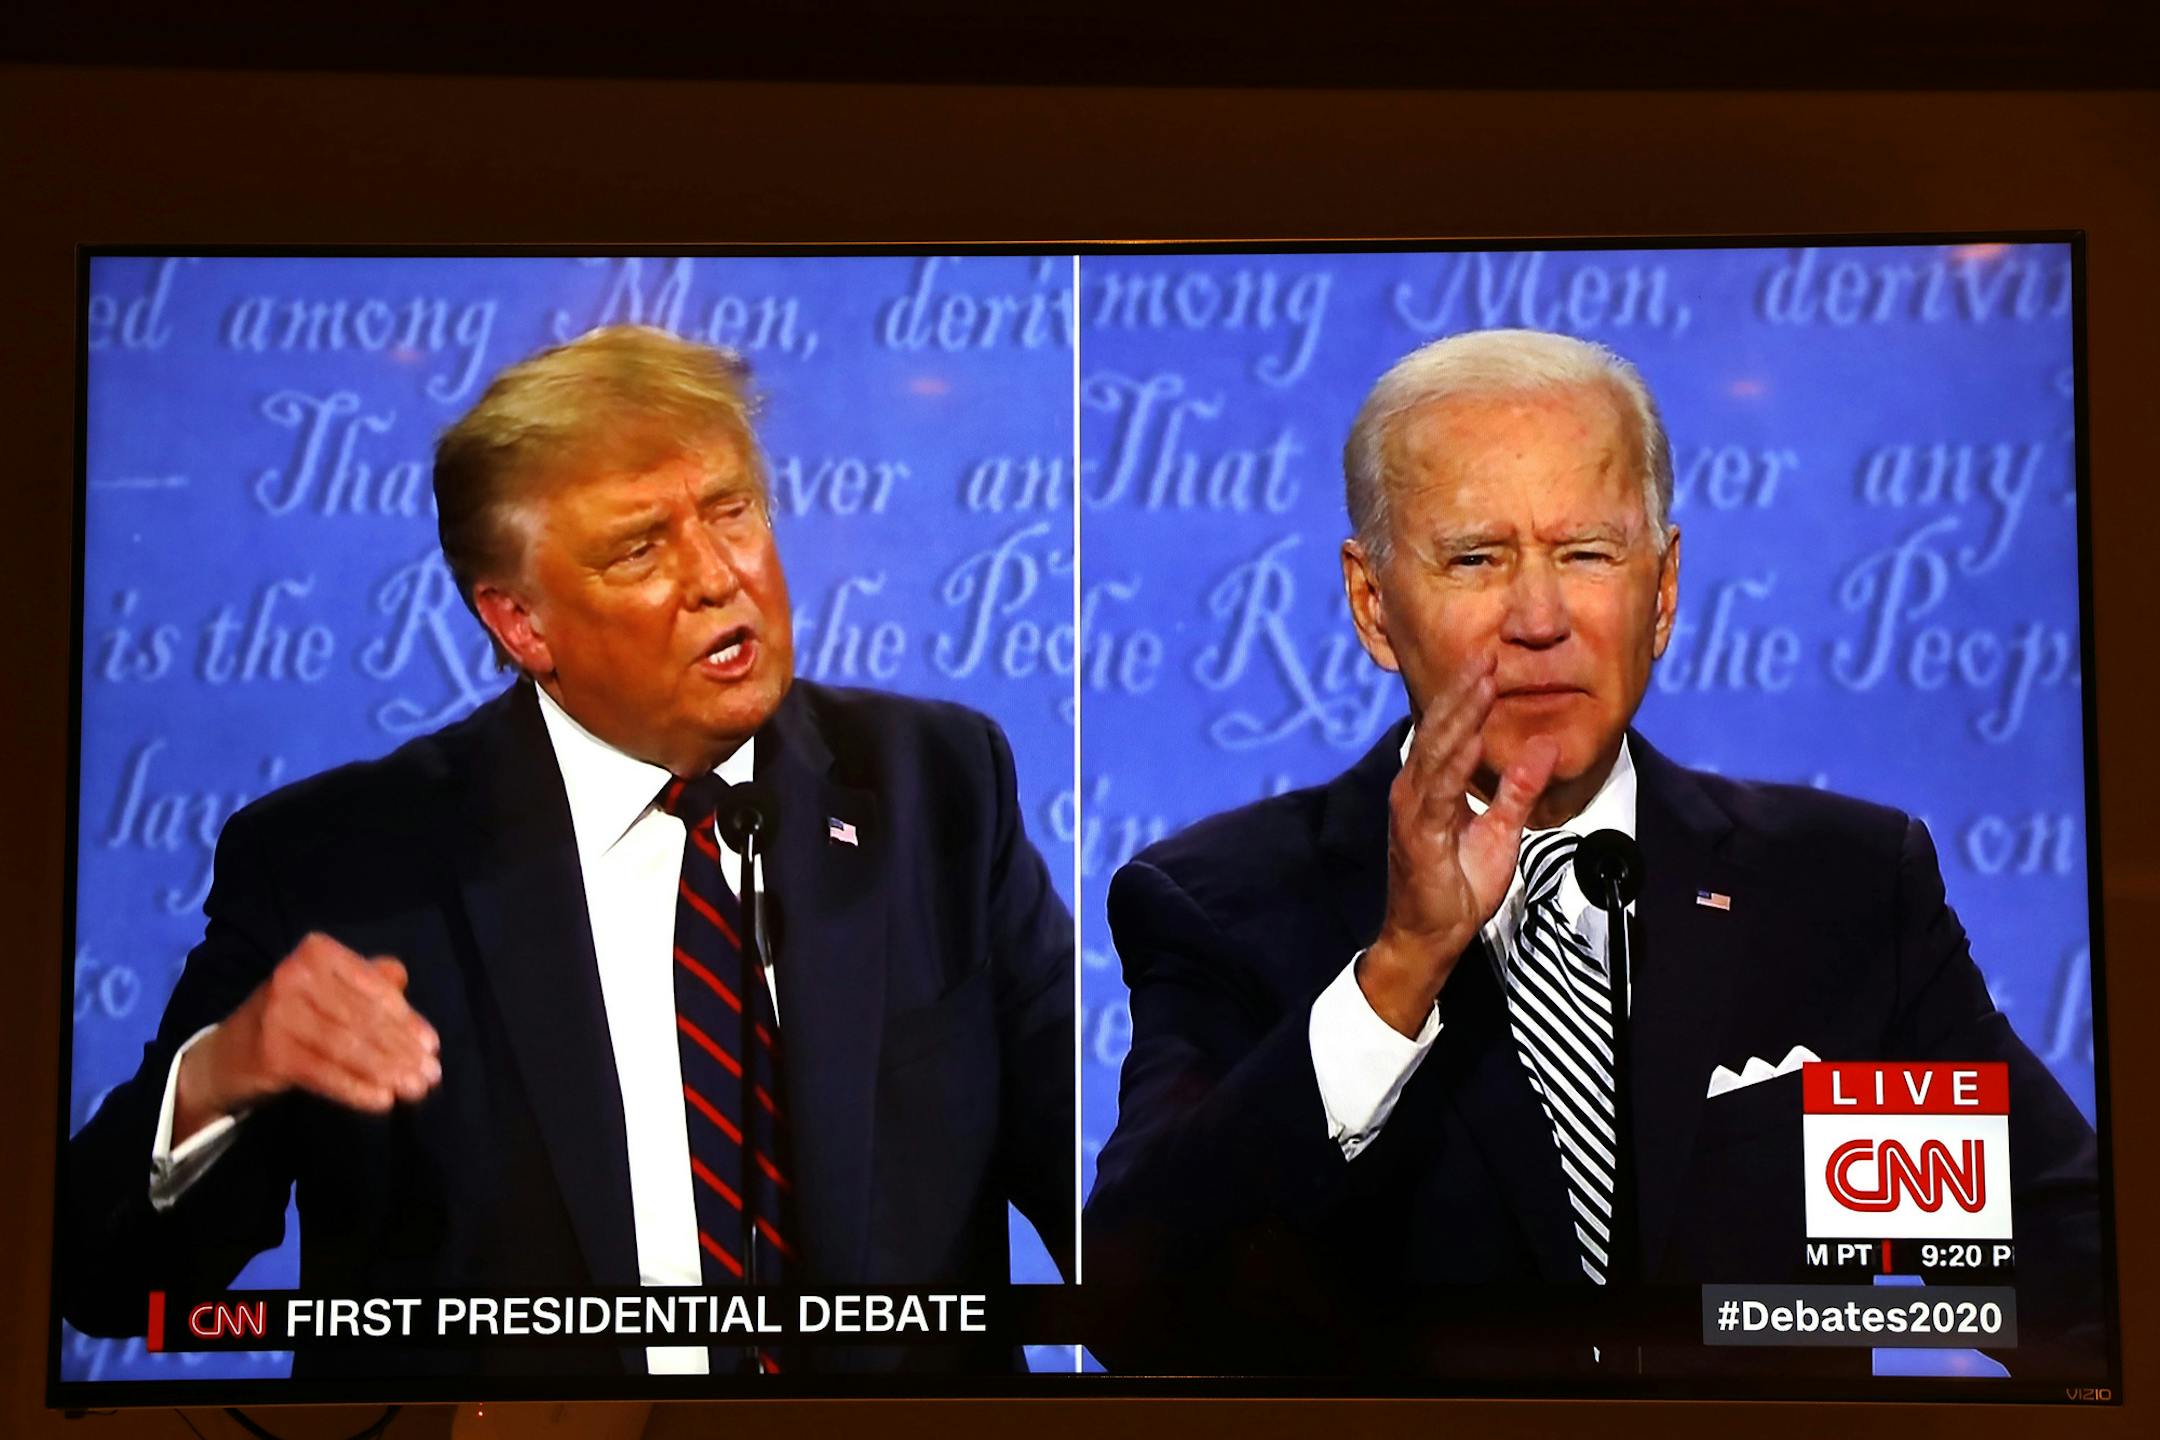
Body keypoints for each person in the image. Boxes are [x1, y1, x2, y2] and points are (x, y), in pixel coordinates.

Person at [1081, 328, 2103, 1379]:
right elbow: (1142, 1312)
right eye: (1476, 557)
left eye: (1586, 554)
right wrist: (1399, 973)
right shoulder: (1223, 903)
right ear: (1373, 604)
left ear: (1660, 591)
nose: (1538, 618)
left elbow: (2072, 1288)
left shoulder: (1839, 893)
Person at [63, 325, 1075, 1379]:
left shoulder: (937, 788)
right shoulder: (340, 867)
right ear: (522, 625)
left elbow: (1094, 1197)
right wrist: (225, 1073)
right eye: (641, 547)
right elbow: (100, 1277)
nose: (719, 575)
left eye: (731, 510)